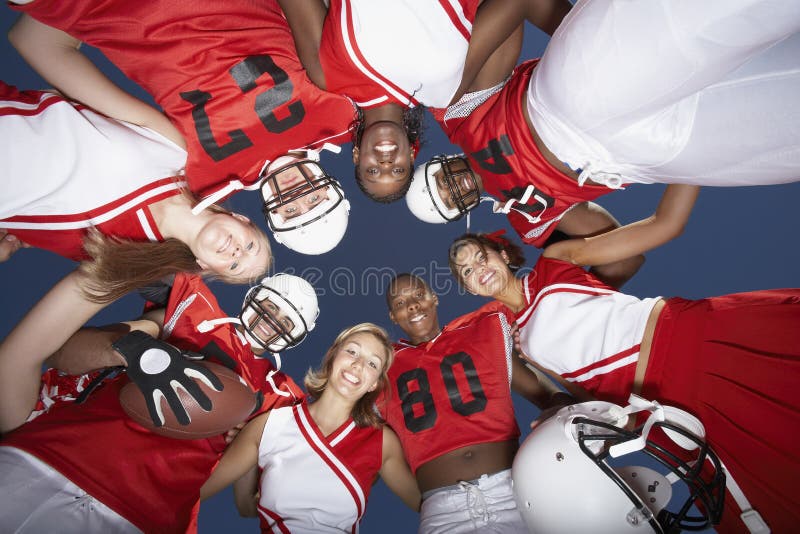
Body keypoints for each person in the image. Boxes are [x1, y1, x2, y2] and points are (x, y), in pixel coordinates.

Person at [447, 194, 800, 532]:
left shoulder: (554, 261)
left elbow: (661, 227)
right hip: (662, 409)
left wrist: (689, 160)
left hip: (690, 343)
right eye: (466, 271)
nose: (477, 269)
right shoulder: (523, 343)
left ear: (503, 253)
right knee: (757, 491)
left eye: (481, 257)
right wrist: (566, 414)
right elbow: (590, 393)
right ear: (471, 290)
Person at [417, 0, 800, 248]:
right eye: (449, 201)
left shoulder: (458, 115)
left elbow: (520, 6)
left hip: (573, 98)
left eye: (439, 184)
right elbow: (621, 256)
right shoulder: (526, 223)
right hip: (635, 159)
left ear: (440, 164)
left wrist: (582, 35)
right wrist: (564, 269)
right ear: (462, 211)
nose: (452, 189)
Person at [8, 0, 357, 254]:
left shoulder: (199, 178)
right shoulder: (342, 111)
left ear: (272, 218)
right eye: (314, 200)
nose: (297, 195)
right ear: (334, 189)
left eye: (292, 212)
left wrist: (78, 14)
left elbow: (34, 41)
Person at [0, 270, 316, 532]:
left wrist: (245, 444)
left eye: (287, 322)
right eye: (272, 307)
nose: (272, 321)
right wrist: (131, 349)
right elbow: (63, 352)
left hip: (142, 516)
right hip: (55, 457)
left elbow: (247, 504)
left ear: (296, 336)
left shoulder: (282, 396)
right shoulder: (196, 312)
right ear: (254, 296)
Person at [0, 81, 271, 301]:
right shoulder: (177, 153)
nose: (238, 253)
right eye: (250, 246)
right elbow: (76, 86)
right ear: (242, 220)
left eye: (235, 267)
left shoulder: (113, 255)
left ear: (204, 266)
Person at [277, 0, 571, 202]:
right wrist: (584, 38)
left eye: (373, 170)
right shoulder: (446, 92)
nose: (385, 161)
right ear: (411, 156)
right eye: (398, 170)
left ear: (357, 156)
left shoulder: (327, 76)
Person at [382, 272, 571, 533]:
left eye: (418, 295)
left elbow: (547, 395)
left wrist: (563, 409)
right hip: (442, 512)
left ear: (434, 298)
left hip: (516, 493)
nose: (412, 305)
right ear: (393, 316)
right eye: (400, 303)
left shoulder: (480, 330)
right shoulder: (381, 367)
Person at [200, 323, 421, 532]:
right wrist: (251, 455)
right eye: (352, 352)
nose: (358, 365)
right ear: (333, 356)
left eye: (372, 363)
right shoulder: (271, 423)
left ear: (375, 383)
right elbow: (243, 506)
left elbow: (431, 506)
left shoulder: (382, 441)